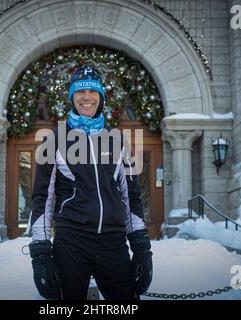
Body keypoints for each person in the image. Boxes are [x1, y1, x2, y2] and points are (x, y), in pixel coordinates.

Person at [28, 64, 153, 300]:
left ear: (101, 97)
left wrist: (141, 246)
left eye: (93, 92)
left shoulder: (117, 141)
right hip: (71, 242)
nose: (87, 97)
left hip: (113, 242)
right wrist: (40, 254)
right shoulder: (53, 141)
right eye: (80, 92)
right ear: (72, 97)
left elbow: (130, 197)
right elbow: (43, 198)